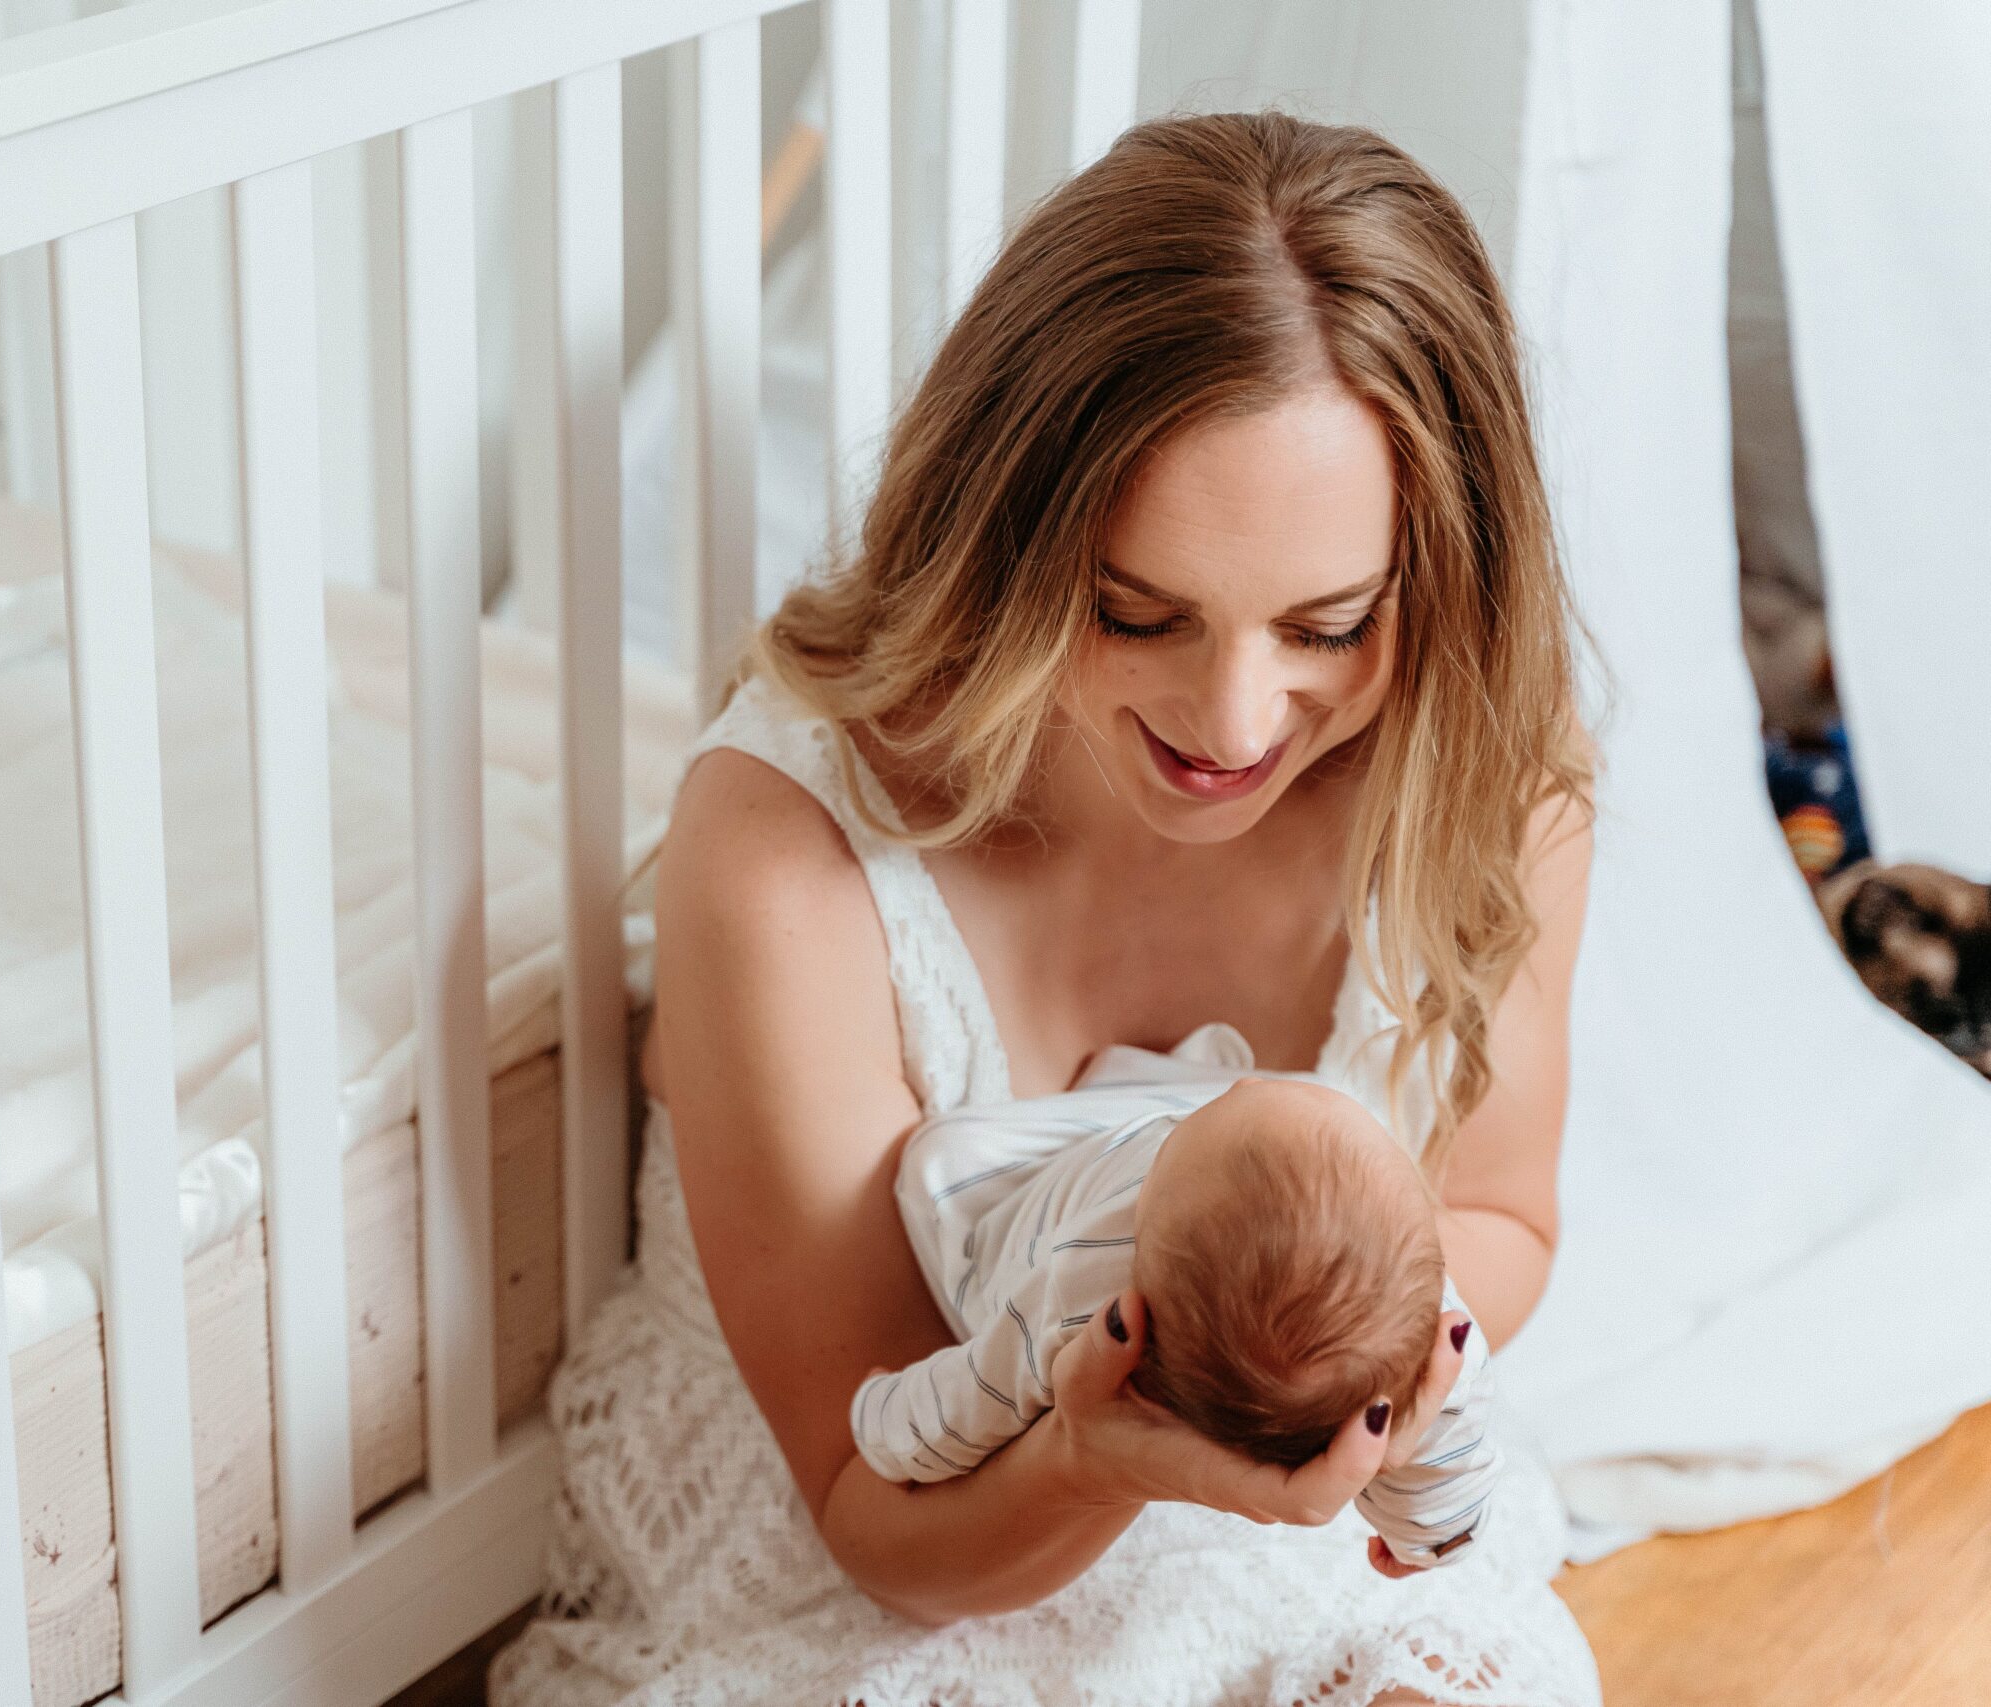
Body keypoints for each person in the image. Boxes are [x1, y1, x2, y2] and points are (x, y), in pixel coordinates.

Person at [494, 109, 1601, 1706]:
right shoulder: (792, 850)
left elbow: (1501, 1215)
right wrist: (1102, 1443)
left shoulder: (1482, 781)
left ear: (1434, 578)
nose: (1231, 722)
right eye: (1136, 612)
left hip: (1291, 1495)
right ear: (1008, 542)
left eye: (1326, 625)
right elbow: (883, 1519)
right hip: (879, 1561)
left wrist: (1308, 1360)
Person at [853, 1049, 1499, 1579]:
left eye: (1234, 1099)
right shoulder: (1425, 1310)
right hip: (1162, 1148)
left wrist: (885, 1416)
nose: (1249, 1078)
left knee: (940, 1158)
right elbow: (1450, 1444)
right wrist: (1428, 1539)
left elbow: (976, 1391)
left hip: (1026, 1202)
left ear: (1145, 1223)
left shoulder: (1088, 1285)